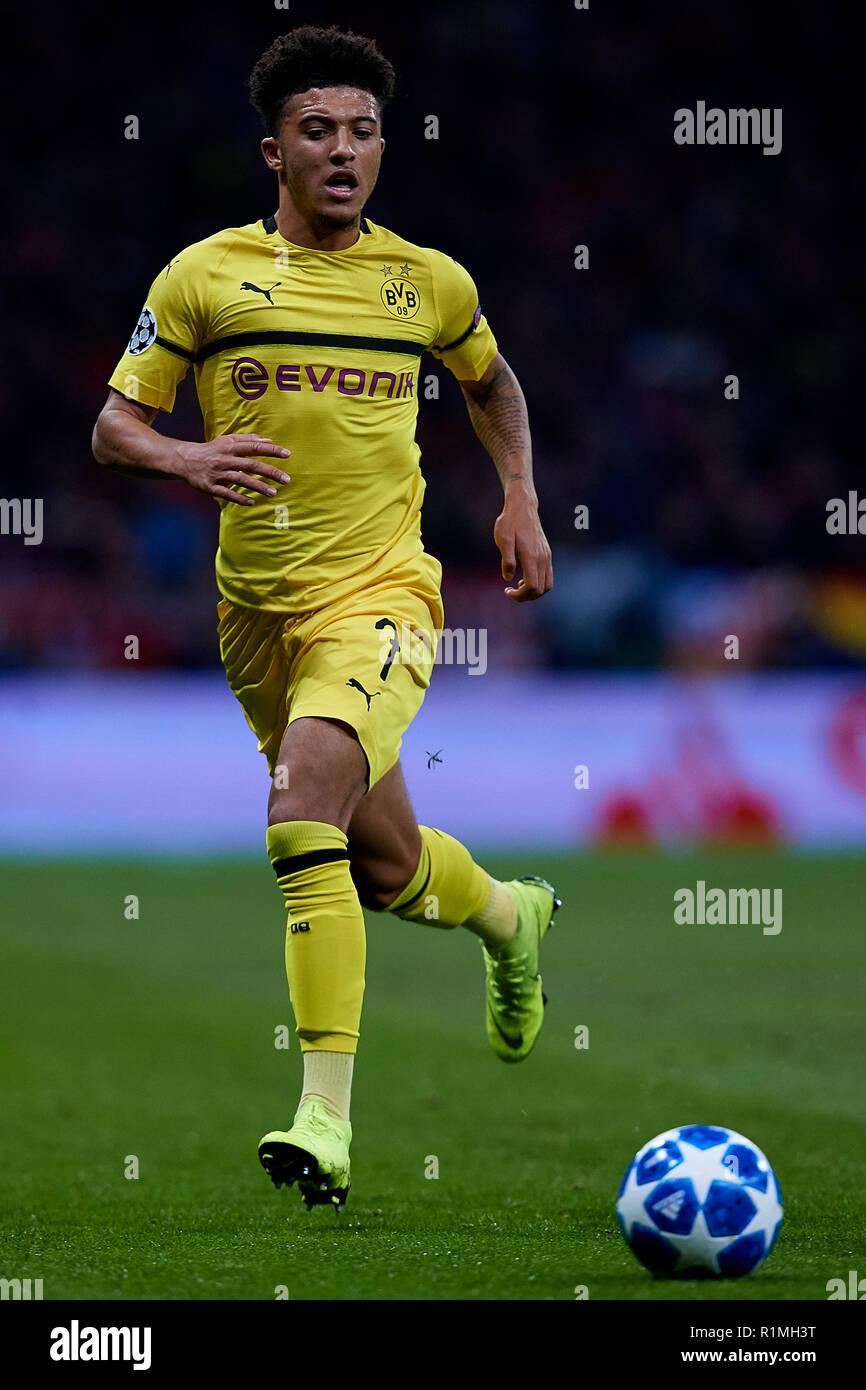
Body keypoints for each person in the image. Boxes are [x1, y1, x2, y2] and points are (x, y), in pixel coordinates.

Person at [92, 24, 559, 1213]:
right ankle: (511, 916)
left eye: (361, 131)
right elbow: (113, 428)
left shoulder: (425, 282)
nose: (343, 150)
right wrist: (186, 458)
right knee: (386, 865)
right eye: (317, 132)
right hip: (255, 614)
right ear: (273, 152)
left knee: (300, 806)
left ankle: (324, 1120)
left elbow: (489, 379)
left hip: (384, 596)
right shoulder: (201, 278)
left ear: (382, 147)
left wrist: (516, 497)